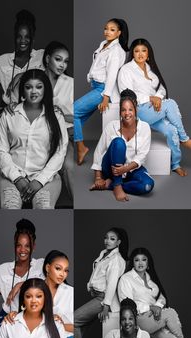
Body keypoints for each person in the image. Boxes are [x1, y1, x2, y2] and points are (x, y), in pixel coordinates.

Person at [0, 69, 68, 209]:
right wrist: (17, 178)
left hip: (46, 177)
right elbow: (0, 150)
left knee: (44, 209)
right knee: (10, 208)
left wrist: (39, 181)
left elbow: (60, 152)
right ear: (23, 90)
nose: (34, 91)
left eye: (39, 87)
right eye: (28, 87)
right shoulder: (10, 114)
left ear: (45, 89)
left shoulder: (56, 116)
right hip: (12, 175)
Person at [118, 38, 191, 176]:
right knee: (170, 104)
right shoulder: (126, 70)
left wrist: (157, 97)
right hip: (138, 111)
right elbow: (127, 95)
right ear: (132, 53)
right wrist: (150, 98)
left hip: (154, 110)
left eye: (144, 51)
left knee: (171, 131)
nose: (140, 54)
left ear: (148, 53)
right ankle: (185, 139)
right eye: (137, 51)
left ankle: (175, 163)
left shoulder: (151, 69)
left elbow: (161, 88)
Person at [118, 247, 191, 338]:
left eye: (144, 260)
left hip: (154, 320)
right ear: (132, 262)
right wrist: (150, 307)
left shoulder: (151, 279)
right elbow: (127, 304)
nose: (140, 263)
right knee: (170, 313)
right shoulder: (126, 279)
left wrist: (157, 306)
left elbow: (162, 297)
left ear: (148, 262)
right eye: (137, 260)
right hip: (139, 320)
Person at [0, 219, 44, 336]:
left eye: (27, 246)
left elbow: (52, 282)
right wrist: (2, 289)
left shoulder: (41, 265)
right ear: (14, 246)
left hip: (34, 320)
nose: (22, 250)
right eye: (18, 245)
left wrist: (21, 285)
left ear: (33, 246)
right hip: (8, 319)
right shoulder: (2, 270)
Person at [0, 9, 44, 121]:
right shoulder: (2, 60)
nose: (23, 40)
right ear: (15, 37)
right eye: (19, 36)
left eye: (27, 37)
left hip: (35, 114)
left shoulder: (41, 56)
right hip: (10, 113)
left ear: (32, 38)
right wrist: (0, 82)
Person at [74, 18, 129, 165]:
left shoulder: (116, 51)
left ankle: (81, 147)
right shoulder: (104, 45)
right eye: (106, 28)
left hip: (103, 89)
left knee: (73, 111)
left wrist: (105, 97)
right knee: (75, 118)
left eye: (112, 29)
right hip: (96, 86)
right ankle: (73, 146)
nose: (107, 32)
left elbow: (112, 75)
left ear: (119, 33)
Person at [74, 227, 128, 338]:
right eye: (106, 237)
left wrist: (105, 306)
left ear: (118, 242)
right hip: (98, 296)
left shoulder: (116, 260)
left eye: (112, 238)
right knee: (79, 326)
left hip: (104, 299)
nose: (107, 241)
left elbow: (112, 284)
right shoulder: (104, 254)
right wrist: (91, 287)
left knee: (73, 320)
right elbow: (97, 275)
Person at [90, 89, 154, 202]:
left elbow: (142, 156)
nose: (127, 113)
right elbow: (99, 151)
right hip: (110, 168)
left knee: (147, 185)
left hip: (131, 169)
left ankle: (110, 184)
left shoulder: (144, 127)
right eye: (123, 110)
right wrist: (98, 177)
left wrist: (125, 169)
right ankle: (117, 186)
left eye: (130, 109)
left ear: (136, 110)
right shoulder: (111, 126)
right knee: (119, 142)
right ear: (120, 111)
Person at [43, 41, 74, 200]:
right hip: (39, 136)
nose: (62, 64)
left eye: (66, 61)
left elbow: (79, 117)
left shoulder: (70, 84)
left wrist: (62, 114)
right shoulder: (35, 80)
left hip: (64, 135)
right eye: (58, 59)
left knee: (69, 165)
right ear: (48, 58)